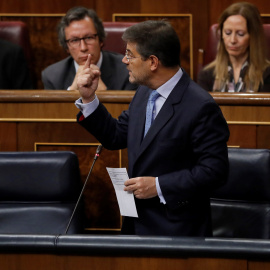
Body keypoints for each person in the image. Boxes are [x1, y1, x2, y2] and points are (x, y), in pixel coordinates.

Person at [75, 20, 230, 237]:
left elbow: (215, 171)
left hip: (177, 231)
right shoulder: (144, 92)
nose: (124, 60)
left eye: (130, 54)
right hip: (136, 226)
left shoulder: (201, 106)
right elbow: (116, 135)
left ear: (153, 62)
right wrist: (89, 98)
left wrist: (159, 186)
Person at [41, 6, 137, 91]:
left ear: (101, 40)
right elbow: (53, 111)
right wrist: (72, 91)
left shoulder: (127, 70)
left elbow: (130, 110)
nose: (83, 48)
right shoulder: (52, 76)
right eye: (74, 40)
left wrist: (104, 93)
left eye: (89, 38)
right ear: (66, 47)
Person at [197, 2, 270, 92]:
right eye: (227, 33)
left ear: (253, 37)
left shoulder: (267, 74)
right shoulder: (206, 75)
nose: (232, 40)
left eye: (240, 34)